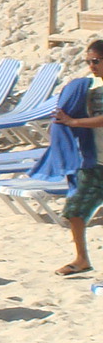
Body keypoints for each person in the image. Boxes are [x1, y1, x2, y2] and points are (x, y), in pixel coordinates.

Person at [46, 39, 103, 275]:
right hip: (95, 162)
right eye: (88, 61)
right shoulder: (94, 91)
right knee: (75, 209)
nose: (92, 66)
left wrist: (73, 122)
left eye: (96, 61)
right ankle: (81, 259)